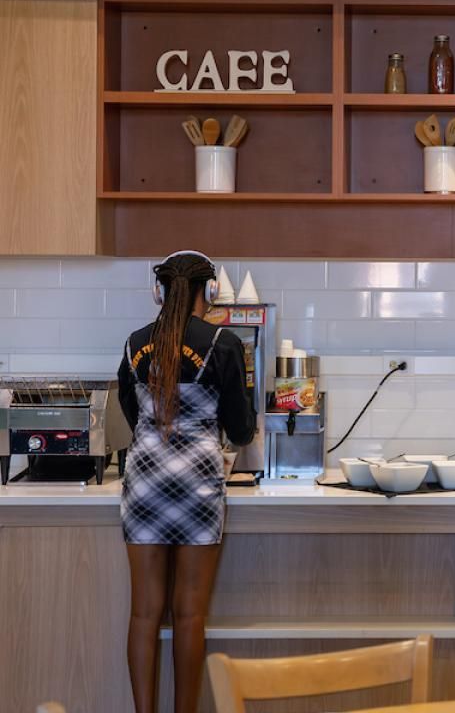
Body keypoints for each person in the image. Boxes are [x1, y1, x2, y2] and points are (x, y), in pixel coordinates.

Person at [118, 250, 256, 713]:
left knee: (143, 613)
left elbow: (133, 414)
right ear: (210, 290)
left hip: (143, 482)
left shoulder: (135, 342)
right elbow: (240, 430)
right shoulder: (224, 343)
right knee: (190, 614)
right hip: (197, 485)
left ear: (158, 290)